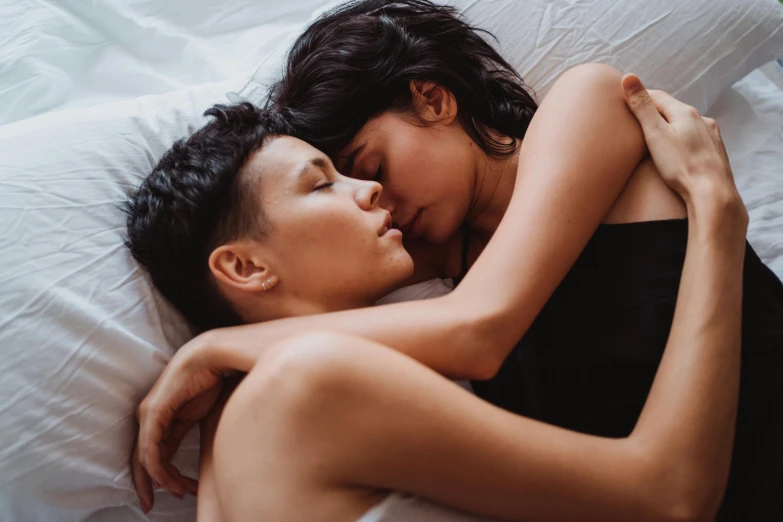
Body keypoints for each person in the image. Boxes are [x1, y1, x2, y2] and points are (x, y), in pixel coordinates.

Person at [131, 1, 781, 519]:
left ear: (432, 99)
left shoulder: (583, 107)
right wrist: (223, 355)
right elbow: (302, 280)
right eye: (336, 181)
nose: (374, 197)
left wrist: (214, 349)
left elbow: (481, 327)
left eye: (372, 166)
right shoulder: (430, 261)